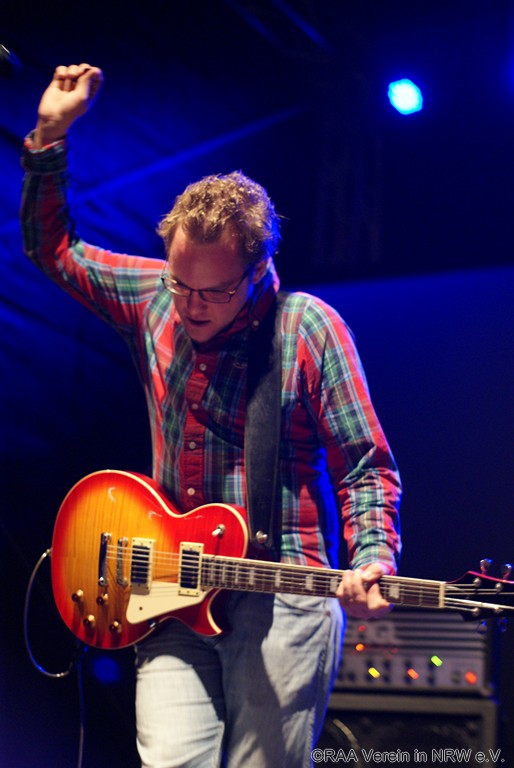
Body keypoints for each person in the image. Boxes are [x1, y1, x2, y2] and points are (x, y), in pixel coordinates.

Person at [21, 64, 402, 768]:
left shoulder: (307, 328)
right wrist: (50, 136)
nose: (192, 306)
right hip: (169, 589)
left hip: (281, 594)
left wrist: (374, 557)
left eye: (215, 291)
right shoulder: (155, 297)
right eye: (181, 283)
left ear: (257, 273)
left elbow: (365, 465)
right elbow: (55, 250)